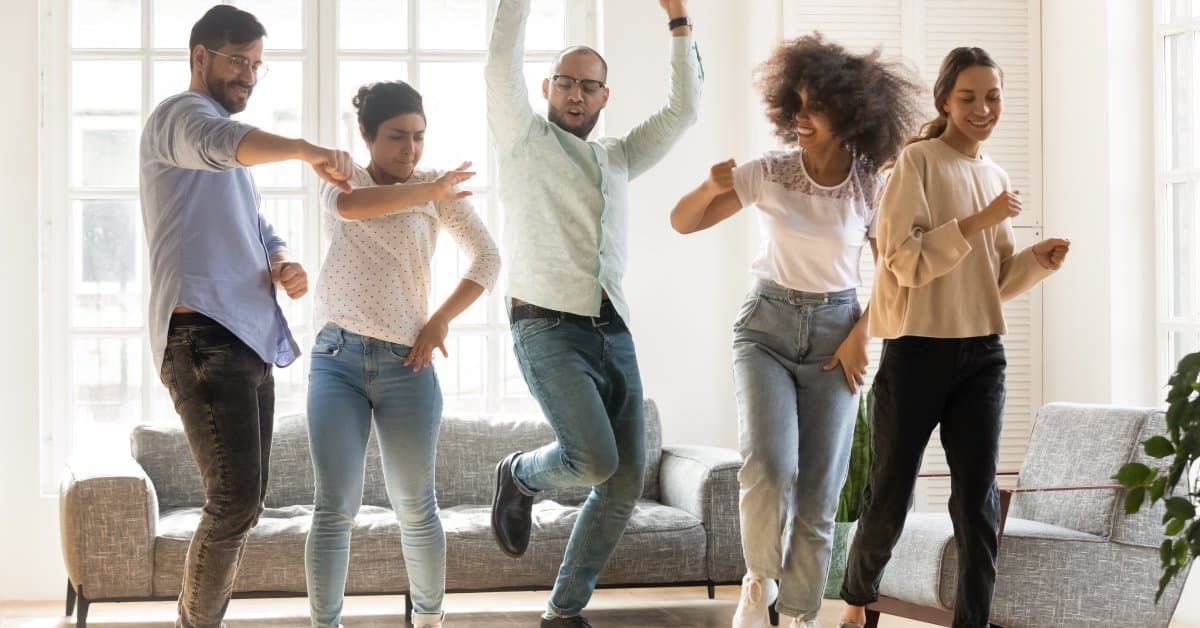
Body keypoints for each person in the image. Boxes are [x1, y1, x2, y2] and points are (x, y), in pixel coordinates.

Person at [669, 34, 923, 628]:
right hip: (766, 331)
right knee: (769, 465)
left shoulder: (869, 186)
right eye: (797, 105)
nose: (802, 119)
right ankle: (759, 582)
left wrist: (863, 334)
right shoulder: (771, 173)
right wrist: (710, 186)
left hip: (839, 336)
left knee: (819, 493)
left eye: (816, 108)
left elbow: (892, 278)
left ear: (851, 114)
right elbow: (683, 223)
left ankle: (803, 612)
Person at [484, 0, 703, 625]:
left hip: (614, 326)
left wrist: (679, 20)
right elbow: (500, 58)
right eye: (565, 81)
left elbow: (684, 111)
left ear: (604, 96)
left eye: (589, 84)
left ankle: (564, 610)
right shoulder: (522, 137)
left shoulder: (617, 156)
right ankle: (521, 474)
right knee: (594, 461)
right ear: (547, 88)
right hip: (545, 322)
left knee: (624, 482)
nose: (575, 93)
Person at [837, 47, 1070, 628]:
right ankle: (857, 598)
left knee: (977, 501)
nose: (983, 108)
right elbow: (902, 262)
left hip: (982, 353)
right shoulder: (917, 163)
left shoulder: (995, 175)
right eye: (968, 97)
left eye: (992, 96)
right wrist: (977, 221)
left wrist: (1036, 262)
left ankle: (974, 622)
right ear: (945, 100)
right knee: (890, 493)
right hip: (917, 349)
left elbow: (993, 280)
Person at [139, 5, 353, 627]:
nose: (249, 76)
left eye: (257, 65)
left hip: (247, 336)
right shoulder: (180, 119)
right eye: (238, 61)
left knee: (244, 504)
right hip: (201, 335)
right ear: (200, 57)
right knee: (232, 502)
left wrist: (282, 257)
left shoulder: (231, 155)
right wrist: (307, 150)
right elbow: (221, 144)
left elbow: (255, 222)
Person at [303, 80, 500, 628]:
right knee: (335, 507)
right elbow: (355, 208)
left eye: (417, 137)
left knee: (415, 507)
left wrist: (439, 318)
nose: (409, 150)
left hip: (407, 366)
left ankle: (430, 620)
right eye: (396, 137)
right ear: (366, 135)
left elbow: (487, 258)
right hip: (336, 360)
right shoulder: (342, 178)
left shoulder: (438, 191)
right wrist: (431, 192)